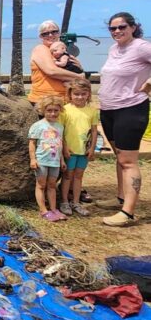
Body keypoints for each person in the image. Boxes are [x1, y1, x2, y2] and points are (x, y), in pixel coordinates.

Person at [97, 12, 151, 227]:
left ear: (133, 27)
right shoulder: (114, 48)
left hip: (130, 109)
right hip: (109, 110)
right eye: (113, 28)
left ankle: (127, 213)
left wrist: (149, 83)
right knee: (119, 157)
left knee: (128, 161)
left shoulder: (141, 47)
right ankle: (120, 198)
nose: (117, 31)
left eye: (121, 27)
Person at [59, 79, 97, 217]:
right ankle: (64, 201)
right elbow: (60, 130)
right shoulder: (65, 110)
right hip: (70, 150)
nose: (80, 97)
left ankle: (76, 202)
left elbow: (94, 131)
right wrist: (64, 147)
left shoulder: (92, 111)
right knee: (68, 176)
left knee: (79, 176)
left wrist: (92, 148)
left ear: (88, 94)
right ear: (70, 94)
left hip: (84, 151)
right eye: (76, 94)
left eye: (83, 94)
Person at [28, 95, 67, 222]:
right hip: (42, 161)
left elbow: (59, 144)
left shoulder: (60, 127)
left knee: (52, 185)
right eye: (49, 110)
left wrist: (62, 160)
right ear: (43, 111)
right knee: (41, 185)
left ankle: (54, 209)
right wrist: (33, 159)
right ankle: (43, 210)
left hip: (54, 161)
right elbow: (32, 144)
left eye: (56, 110)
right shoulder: (38, 126)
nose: (53, 113)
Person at [27, 20, 85, 105]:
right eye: (45, 33)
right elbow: (52, 71)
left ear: (59, 33)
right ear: (41, 37)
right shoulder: (41, 49)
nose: (50, 35)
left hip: (64, 100)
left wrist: (80, 68)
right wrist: (79, 76)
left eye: (54, 32)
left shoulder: (62, 51)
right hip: (45, 101)